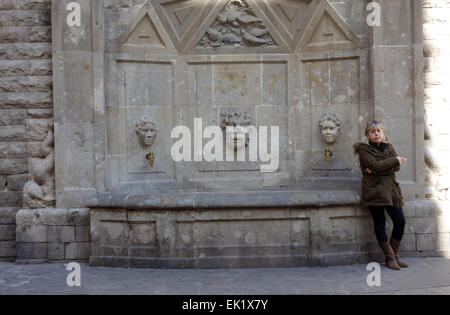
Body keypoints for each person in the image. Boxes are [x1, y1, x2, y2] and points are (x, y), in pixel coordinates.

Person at [354, 120, 408, 270]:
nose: (376, 133)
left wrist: (380, 168)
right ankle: (390, 257)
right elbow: (376, 165)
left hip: (392, 191)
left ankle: (395, 254)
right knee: (380, 223)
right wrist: (394, 160)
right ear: (367, 135)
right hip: (374, 191)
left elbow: (395, 168)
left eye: (379, 131)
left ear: (383, 133)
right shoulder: (364, 150)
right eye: (373, 131)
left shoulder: (389, 147)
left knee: (400, 221)